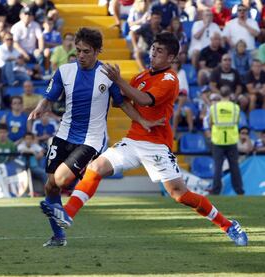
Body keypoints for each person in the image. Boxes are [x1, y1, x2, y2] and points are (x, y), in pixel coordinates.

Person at [40, 32, 248, 248]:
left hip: (157, 144)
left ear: (171, 58)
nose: (153, 54)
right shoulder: (140, 78)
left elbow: (144, 100)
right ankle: (68, 214)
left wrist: (118, 80)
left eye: (159, 51)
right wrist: (107, 89)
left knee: (180, 195)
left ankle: (228, 225)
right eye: (153, 49)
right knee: (96, 167)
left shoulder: (170, 79)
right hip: (133, 140)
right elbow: (123, 101)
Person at [29, 27, 165, 247]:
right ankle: (58, 236)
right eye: (79, 51)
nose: (81, 56)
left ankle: (66, 213)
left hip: (91, 139)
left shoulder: (107, 75)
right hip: (64, 133)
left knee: (61, 181)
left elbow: (122, 104)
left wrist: (143, 121)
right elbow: (49, 97)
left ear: (98, 51)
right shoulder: (64, 71)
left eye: (86, 51)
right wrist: (40, 108)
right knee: (50, 187)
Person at [210, 85, 245, 195]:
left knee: (218, 167)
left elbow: (211, 123)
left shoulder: (214, 108)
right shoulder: (235, 108)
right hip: (231, 140)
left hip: (217, 140)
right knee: (234, 166)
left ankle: (216, 191)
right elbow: (237, 122)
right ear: (230, 94)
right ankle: (239, 190)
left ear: (220, 94)